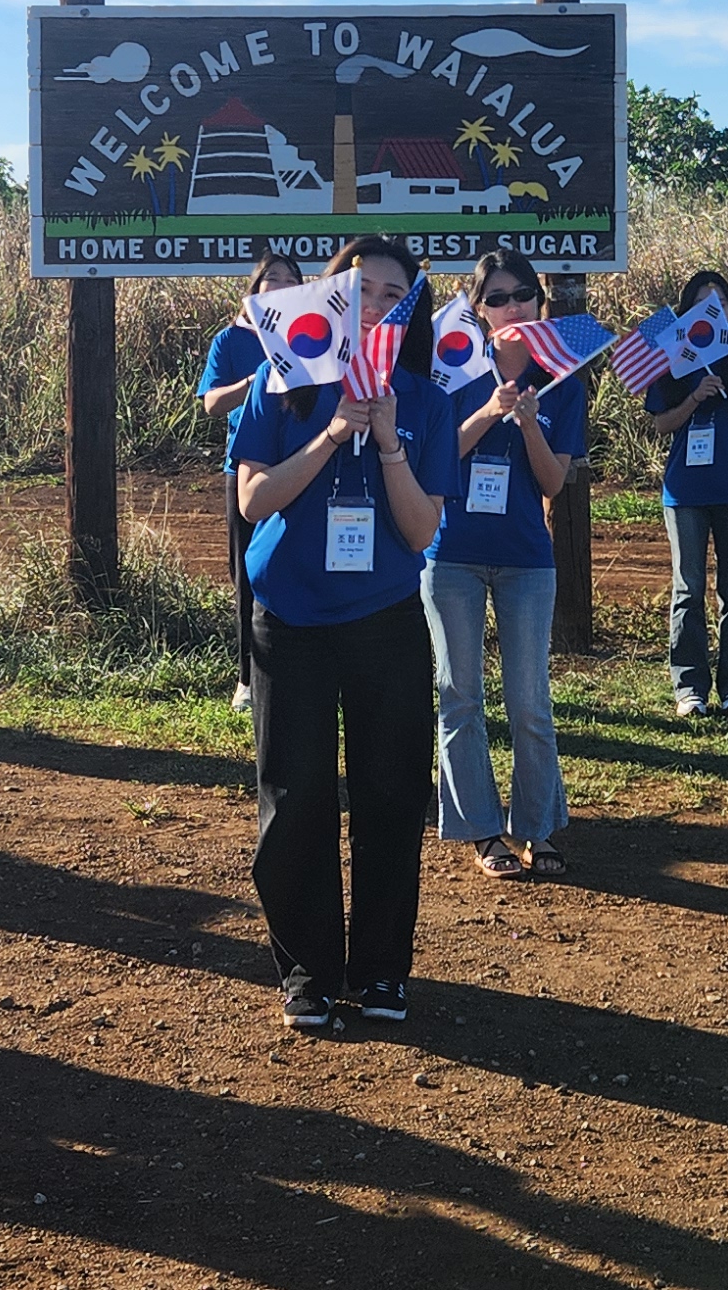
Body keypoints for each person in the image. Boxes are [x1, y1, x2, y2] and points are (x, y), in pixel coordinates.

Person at [234, 235, 449, 1029]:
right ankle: (308, 974)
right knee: (295, 799)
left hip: (385, 622)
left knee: (392, 796)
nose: (377, 305)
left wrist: (388, 439)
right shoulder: (280, 384)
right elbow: (254, 501)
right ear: (328, 300)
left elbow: (422, 530)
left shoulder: (426, 400)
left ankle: (383, 971)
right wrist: (330, 434)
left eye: (395, 294)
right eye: (361, 290)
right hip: (288, 618)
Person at [428, 244, 588, 882]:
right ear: (477, 308)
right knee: (460, 697)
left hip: (526, 558)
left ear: (539, 299)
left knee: (529, 702)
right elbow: (432, 460)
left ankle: (536, 829)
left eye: (522, 293)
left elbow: (554, 485)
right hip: (452, 556)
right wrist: (488, 411)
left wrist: (528, 426)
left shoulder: (562, 376)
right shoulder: (452, 366)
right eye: (496, 298)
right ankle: (481, 831)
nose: (511, 306)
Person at [643, 268, 728, 718]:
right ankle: (689, 688)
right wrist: (695, 396)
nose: (711, 312)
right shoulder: (674, 361)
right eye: (702, 304)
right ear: (688, 313)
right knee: (687, 589)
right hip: (685, 491)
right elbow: (661, 424)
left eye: (719, 304)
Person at [197, 253, 308, 715]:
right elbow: (212, 404)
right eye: (271, 279)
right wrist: (260, 377)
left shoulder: (313, 337)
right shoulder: (230, 340)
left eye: (290, 279)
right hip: (246, 470)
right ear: (254, 288)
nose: (280, 285)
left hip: (305, 466)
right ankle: (247, 677)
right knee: (247, 574)